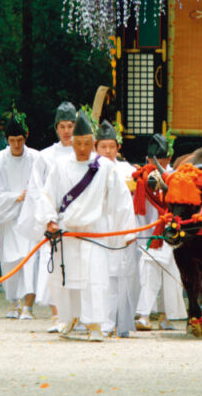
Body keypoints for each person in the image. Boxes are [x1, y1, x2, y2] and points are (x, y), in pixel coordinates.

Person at [35, 110, 136, 342]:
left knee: (95, 279)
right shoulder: (60, 166)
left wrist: (127, 229)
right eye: (78, 143)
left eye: (87, 143)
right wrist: (50, 219)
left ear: (93, 143)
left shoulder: (105, 167)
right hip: (68, 231)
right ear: (72, 143)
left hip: (94, 230)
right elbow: (47, 195)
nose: (82, 148)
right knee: (65, 278)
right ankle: (68, 318)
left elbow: (120, 199)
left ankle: (95, 324)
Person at [18, 101, 79, 331]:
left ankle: (75, 315)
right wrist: (46, 217)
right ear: (56, 128)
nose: (67, 131)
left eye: (71, 125)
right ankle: (57, 316)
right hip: (53, 215)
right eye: (62, 126)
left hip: (77, 217)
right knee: (52, 265)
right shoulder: (45, 156)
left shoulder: (84, 153)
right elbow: (36, 189)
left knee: (76, 266)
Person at [0, 110, 41, 319]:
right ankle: (13, 303)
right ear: (7, 140)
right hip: (10, 218)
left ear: (26, 137)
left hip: (31, 218)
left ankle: (28, 307)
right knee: (9, 261)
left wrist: (30, 198)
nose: (16, 145)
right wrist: (16, 197)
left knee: (30, 260)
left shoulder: (36, 158)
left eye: (20, 140)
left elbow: (45, 186)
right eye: (12, 140)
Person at [133, 133, 187, 330]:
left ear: (169, 159)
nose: (158, 163)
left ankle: (166, 316)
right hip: (149, 234)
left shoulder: (178, 177)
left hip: (172, 232)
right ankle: (145, 315)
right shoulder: (140, 177)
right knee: (149, 273)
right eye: (154, 160)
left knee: (172, 275)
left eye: (162, 160)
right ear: (147, 159)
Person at [93, 120, 139, 337]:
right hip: (98, 229)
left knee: (124, 277)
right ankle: (103, 321)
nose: (108, 151)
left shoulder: (128, 170)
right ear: (96, 148)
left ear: (117, 148)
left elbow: (129, 204)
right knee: (102, 276)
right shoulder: (89, 168)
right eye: (104, 147)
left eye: (112, 146)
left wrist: (130, 231)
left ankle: (121, 323)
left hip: (121, 229)